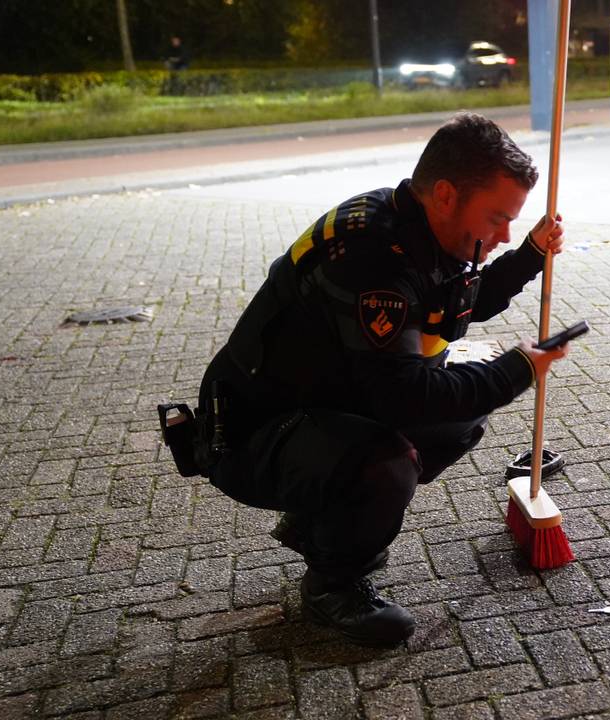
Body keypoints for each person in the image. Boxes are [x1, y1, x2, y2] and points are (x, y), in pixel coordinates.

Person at [195, 112, 568, 647]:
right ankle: (333, 585)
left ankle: (319, 523)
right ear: (446, 195)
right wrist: (517, 369)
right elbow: (404, 398)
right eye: (497, 218)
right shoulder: (372, 256)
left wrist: (529, 254)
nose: (503, 234)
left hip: (314, 406)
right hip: (249, 434)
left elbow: (457, 306)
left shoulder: (415, 228)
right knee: (386, 461)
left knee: (462, 415)